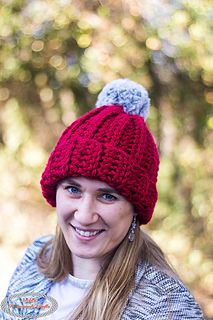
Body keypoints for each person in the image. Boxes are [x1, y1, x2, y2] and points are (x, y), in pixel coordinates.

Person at [1, 79, 204, 320]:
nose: (85, 215)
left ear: (136, 210)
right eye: (73, 189)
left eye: (107, 196)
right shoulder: (37, 257)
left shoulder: (166, 305)